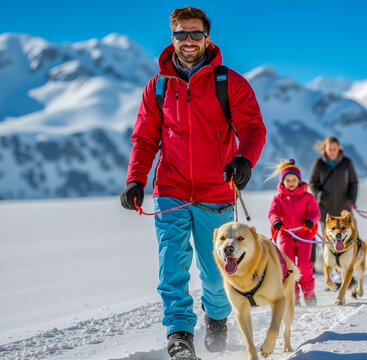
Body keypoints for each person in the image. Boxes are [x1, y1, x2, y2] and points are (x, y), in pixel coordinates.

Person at [119, 7, 266, 360]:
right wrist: (136, 180)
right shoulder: (158, 87)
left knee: (216, 278)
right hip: (171, 190)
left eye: (195, 34)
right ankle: (179, 334)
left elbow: (252, 128)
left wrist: (244, 159)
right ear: (172, 38)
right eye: (182, 34)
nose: (188, 41)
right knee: (172, 266)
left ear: (207, 38)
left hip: (216, 193)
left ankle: (217, 319)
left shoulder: (228, 83)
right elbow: (144, 138)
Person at [268, 159, 321, 306]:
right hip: (286, 235)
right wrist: (276, 221)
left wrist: (310, 220)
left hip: (304, 235)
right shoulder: (278, 198)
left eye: (294, 179)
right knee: (288, 266)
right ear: (283, 181)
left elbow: (315, 212)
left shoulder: (307, 197)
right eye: (287, 179)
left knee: (304, 265)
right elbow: (273, 212)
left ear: (299, 180)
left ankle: (309, 294)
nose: (291, 182)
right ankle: (293, 296)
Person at [309, 136, 359, 265]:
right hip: (325, 210)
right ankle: (332, 271)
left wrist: (352, 199)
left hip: (344, 209)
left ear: (339, 149)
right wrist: (318, 194)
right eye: (329, 149)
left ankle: (348, 270)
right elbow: (312, 182)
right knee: (329, 242)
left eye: (334, 148)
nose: (332, 151)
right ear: (325, 149)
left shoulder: (347, 163)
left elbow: (353, 182)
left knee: (349, 240)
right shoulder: (319, 163)